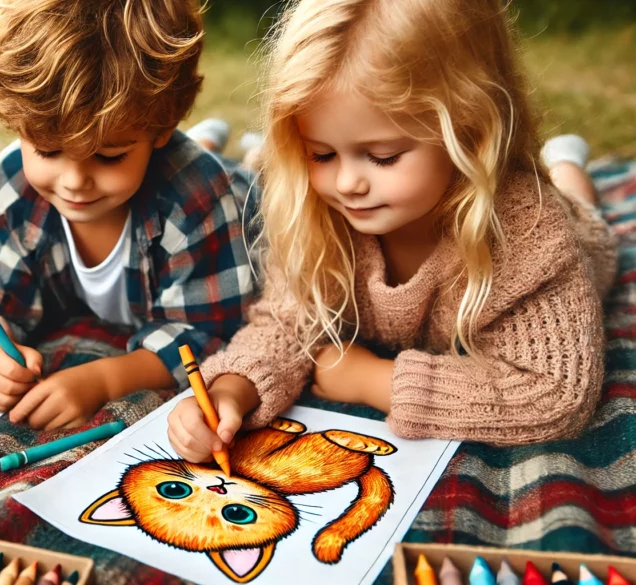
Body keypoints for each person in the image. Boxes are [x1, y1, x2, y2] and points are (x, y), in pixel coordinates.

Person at [168, 0, 618, 461]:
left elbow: (554, 395)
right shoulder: (318, 211)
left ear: (471, 130)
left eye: (382, 156)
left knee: (578, 202)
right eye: (321, 154)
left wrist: (373, 381)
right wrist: (231, 391)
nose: (346, 183)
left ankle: (566, 165)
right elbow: (285, 324)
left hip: (581, 240)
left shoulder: (529, 232)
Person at [0, 0, 256, 430]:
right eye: (49, 150)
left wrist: (104, 380)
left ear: (161, 127)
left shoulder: (196, 197)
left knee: (247, 176)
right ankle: (207, 137)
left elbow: (208, 333)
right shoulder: (11, 186)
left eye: (108, 157)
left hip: (241, 201)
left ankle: (226, 147)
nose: (74, 182)